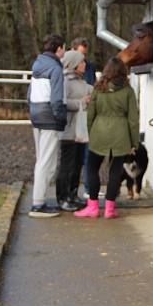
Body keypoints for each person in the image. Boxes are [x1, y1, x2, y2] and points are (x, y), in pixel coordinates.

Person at [73, 57, 140, 219]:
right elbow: (133, 119)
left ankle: (93, 207)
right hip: (121, 134)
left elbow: (91, 114)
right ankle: (110, 209)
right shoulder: (128, 91)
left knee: (92, 168)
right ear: (123, 71)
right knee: (115, 172)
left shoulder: (98, 87)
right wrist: (134, 142)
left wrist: (91, 132)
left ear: (107, 70)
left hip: (99, 132)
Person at [27, 33, 67, 218]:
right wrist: (61, 118)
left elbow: (29, 94)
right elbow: (57, 98)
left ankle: (38, 199)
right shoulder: (56, 69)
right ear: (58, 48)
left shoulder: (37, 65)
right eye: (64, 48)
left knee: (40, 159)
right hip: (50, 117)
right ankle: (38, 204)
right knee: (47, 162)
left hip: (36, 114)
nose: (64, 52)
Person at [55, 50, 93, 211]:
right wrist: (81, 102)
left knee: (77, 164)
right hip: (68, 131)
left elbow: (89, 90)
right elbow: (62, 103)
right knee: (66, 165)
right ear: (73, 64)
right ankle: (62, 197)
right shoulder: (63, 82)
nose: (84, 65)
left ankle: (73, 195)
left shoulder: (81, 81)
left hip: (80, 132)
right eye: (82, 62)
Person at [71, 37, 95, 199]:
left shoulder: (89, 67)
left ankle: (87, 189)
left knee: (88, 155)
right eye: (80, 55)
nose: (83, 60)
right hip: (74, 118)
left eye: (85, 55)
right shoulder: (66, 74)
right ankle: (71, 190)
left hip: (86, 116)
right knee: (73, 157)